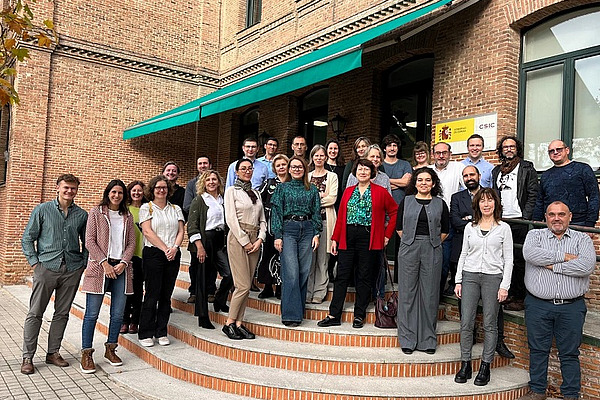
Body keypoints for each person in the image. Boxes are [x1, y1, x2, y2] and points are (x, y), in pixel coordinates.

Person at [520, 201, 596, 400]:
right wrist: (565, 257)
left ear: (570, 216)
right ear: (545, 217)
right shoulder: (534, 235)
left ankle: (571, 394)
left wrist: (554, 266)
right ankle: (537, 391)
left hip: (571, 307)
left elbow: (586, 266)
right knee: (537, 350)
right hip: (538, 305)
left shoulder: (582, 239)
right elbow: (530, 254)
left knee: (570, 353)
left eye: (561, 214)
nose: (557, 218)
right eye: (552, 214)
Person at [20, 174, 88, 375]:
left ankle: (53, 353)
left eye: (73, 188)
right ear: (58, 188)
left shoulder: (81, 215)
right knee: (35, 313)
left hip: (72, 269)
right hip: (46, 268)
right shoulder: (42, 210)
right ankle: (28, 357)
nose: (69, 191)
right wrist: (35, 263)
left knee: (62, 313)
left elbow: (87, 242)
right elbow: (27, 238)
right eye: (66, 187)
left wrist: (82, 264)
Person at [317, 159, 397, 329]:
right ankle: (333, 314)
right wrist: (334, 238)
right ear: (355, 171)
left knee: (364, 276)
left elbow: (395, 212)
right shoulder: (348, 191)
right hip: (347, 236)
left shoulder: (381, 191)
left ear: (372, 173)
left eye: (366, 170)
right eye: (360, 169)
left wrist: (387, 235)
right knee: (342, 276)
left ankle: (359, 315)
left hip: (369, 237)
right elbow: (341, 218)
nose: (362, 172)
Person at [451, 166, 514, 359]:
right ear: (477, 205)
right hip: (470, 276)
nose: (486, 205)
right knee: (466, 323)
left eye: (490, 200)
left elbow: (509, 259)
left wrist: (505, 286)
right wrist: (458, 280)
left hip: (492, 278)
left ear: (496, 203)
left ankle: (486, 364)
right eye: (483, 201)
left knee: (490, 323)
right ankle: (465, 362)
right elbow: (463, 254)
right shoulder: (471, 227)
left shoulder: (504, 228)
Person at [80, 179, 136, 373]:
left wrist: (123, 263)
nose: (116, 195)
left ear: (124, 195)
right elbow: (89, 241)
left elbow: (131, 243)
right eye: (113, 192)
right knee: (91, 314)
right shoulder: (97, 212)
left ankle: (111, 349)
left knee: (118, 314)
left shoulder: (127, 215)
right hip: (99, 267)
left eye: (120, 193)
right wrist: (104, 263)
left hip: (121, 268)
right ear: (108, 193)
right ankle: (87, 353)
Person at [396, 167, 449, 355]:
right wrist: (411, 241)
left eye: (427, 180)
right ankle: (407, 338)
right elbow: (399, 227)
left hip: (432, 249)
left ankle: (428, 339)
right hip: (409, 247)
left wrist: (431, 242)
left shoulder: (440, 204)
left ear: (433, 183)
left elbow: (445, 229)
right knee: (408, 294)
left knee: (430, 295)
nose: (423, 183)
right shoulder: (406, 201)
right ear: (415, 183)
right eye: (420, 180)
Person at [271, 156, 322, 326]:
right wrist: (277, 235)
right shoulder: (282, 188)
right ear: (289, 169)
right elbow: (276, 212)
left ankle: (298, 311)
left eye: (299, 167)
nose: (296, 169)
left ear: (304, 169)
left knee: (303, 272)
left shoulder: (312, 189)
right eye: (293, 167)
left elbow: (316, 212)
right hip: (289, 229)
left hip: (307, 229)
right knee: (291, 272)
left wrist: (316, 233)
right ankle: (290, 315)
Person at [492, 136, 539, 312]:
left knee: (519, 260)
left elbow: (533, 193)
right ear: (501, 150)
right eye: (505, 147)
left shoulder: (527, 167)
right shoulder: (497, 171)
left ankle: (520, 297)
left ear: (517, 148)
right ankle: (508, 293)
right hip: (502, 221)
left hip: (519, 220)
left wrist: (525, 216)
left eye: (512, 146)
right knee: (504, 258)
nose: (509, 149)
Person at [137, 175, 185, 347]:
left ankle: (161, 331)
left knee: (166, 295)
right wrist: (165, 249)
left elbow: (181, 231)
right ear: (152, 189)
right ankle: (146, 333)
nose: (161, 190)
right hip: (154, 254)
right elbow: (148, 232)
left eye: (164, 187)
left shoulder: (176, 209)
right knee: (152, 294)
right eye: (158, 187)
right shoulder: (146, 208)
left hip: (173, 254)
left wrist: (175, 248)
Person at [223, 159, 267, 339]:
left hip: (255, 238)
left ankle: (239, 323)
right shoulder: (231, 191)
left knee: (247, 285)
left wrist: (260, 239)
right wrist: (244, 241)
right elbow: (231, 219)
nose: (247, 171)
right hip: (238, 238)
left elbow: (263, 219)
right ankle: (229, 323)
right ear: (237, 171)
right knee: (241, 285)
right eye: (243, 169)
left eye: (250, 168)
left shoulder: (255, 192)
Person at [187, 170, 233, 329]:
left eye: (214, 179)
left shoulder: (223, 200)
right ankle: (203, 316)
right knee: (203, 280)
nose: (212, 182)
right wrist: (199, 246)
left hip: (220, 241)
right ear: (203, 183)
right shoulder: (199, 200)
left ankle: (220, 300)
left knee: (230, 274)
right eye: (208, 180)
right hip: (205, 241)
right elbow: (192, 225)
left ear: (219, 182)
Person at [533, 140, 599, 228]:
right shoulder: (546, 175)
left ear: (567, 150)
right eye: (551, 151)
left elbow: (594, 196)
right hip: (552, 224)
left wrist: (590, 223)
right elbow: (540, 201)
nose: (555, 152)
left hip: (578, 223)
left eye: (559, 149)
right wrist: (536, 225)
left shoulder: (582, 169)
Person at [430, 142, 463, 297]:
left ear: (450, 153)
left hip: (448, 220)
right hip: (429, 220)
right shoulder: (428, 171)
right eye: (438, 153)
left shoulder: (458, 168)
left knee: (444, 260)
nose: (441, 156)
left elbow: (471, 188)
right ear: (433, 154)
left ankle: (438, 294)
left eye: (444, 152)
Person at [307, 145, 338, 304]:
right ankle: (308, 291)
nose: (319, 158)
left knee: (322, 260)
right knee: (309, 259)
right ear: (312, 158)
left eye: (321, 156)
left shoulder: (332, 176)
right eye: (316, 156)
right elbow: (304, 198)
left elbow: (332, 198)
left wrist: (314, 200)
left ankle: (319, 292)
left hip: (326, 221)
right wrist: (319, 197)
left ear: (326, 158)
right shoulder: (307, 175)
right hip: (309, 224)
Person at [257, 154, 290, 299]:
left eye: (284, 164)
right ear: (274, 168)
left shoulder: (293, 183)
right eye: (278, 165)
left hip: (287, 225)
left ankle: (281, 287)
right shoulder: (269, 183)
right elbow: (259, 200)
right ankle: (267, 286)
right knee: (268, 254)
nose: (281, 167)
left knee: (283, 256)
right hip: (270, 225)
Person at [381, 134, 412, 284]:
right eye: (389, 145)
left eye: (395, 145)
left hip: (401, 209)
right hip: (382, 210)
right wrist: (398, 182)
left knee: (402, 245)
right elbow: (377, 182)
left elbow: (407, 183)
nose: (392, 148)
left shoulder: (405, 164)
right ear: (384, 148)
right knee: (382, 244)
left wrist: (386, 181)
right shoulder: (380, 165)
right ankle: (381, 279)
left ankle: (399, 279)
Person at [183, 155, 213, 305]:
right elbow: (187, 206)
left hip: (213, 231)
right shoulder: (191, 184)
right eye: (200, 163)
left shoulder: (216, 184)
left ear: (210, 165)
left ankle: (210, 290)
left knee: (211, 263)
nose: (202, 166)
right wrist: (202, 208)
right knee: (196, 262)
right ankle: (194, 291)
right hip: (197, 228)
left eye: (205, 163)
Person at [121, 181, 147, 335]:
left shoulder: (147, 209)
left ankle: (135, 321)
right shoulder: (125, 210)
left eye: (140, 191)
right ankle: (124, 320)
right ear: (129, 192)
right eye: (134, 191)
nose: (137, 193)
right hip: (128, 256)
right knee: (127, 291)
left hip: (143, 255)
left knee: (138, 291)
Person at [324, 138, 345, 211]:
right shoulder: (322, 166)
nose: (333, 151)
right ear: (326, 150)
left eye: (335, 148)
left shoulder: (343, 168)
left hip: (338, 204)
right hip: (324, 202)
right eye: (330, 148)